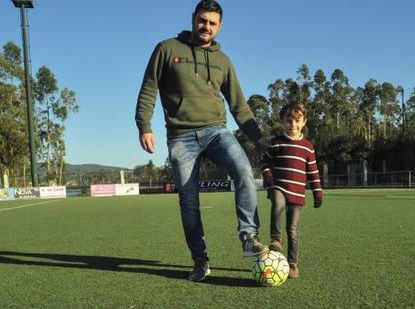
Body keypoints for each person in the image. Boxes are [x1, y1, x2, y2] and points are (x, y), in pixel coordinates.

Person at [135, 0, 269, 282]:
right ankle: (200, 259)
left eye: (212, 23)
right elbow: (148, 88)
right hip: (181, 136)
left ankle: (249, 237)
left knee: (244, 170)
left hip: (216, 131)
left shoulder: (224, 61)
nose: (205, 26)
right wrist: (144, 126)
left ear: (219, 27)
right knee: (188, 199)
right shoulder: (167, 49)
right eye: (202, 20)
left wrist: (260, 139)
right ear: (193, 18)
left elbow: (239, 106)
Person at [260, 102, 323, 279]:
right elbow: (264, 162)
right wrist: (268, 177)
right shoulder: (276, 143)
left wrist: (317, 193)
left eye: (297, 120)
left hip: (297, 193)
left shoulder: (307, 146)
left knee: (293, 229)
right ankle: (276, 239)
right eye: (288, 120)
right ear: (282, 122)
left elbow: (313, 171)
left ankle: (293, 263)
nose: (293, 124)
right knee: (277, 203)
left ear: (304, 122)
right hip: (278, 186)